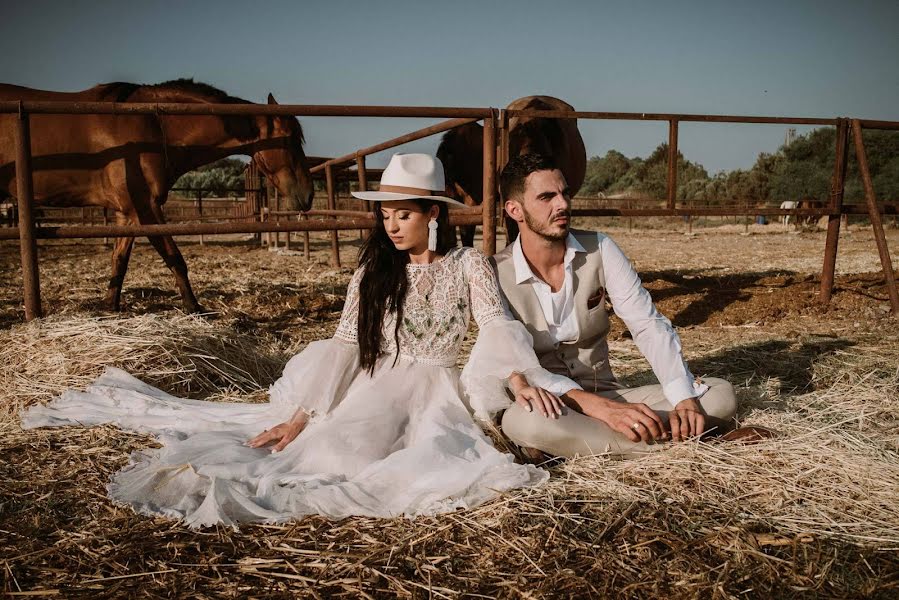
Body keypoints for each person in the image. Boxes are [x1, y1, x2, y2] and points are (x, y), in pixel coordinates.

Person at [21, 153, 577, 529]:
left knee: (425, 463)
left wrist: (516, 376)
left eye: (403, 214)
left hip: (438, 386)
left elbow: (496, 323)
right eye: (385, 215)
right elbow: (343, 346)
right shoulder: (374, 272)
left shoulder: (469, 264)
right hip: (376, 382)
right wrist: (303, 415)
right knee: (330, 453)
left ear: (433, 214)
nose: (390, 226)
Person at [492, 153, 738, 459]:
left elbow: (646, 324)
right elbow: (514, 362)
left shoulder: (600, 247)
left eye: (565, 193)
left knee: (718, 396)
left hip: (608, 391)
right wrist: (603, 410)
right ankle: (706, 439)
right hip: (550, 404)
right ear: (515, 209)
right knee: (523, 423)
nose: (563, 205)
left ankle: (573, 446)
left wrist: (683, 400)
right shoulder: (493, 273)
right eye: (546, 197)